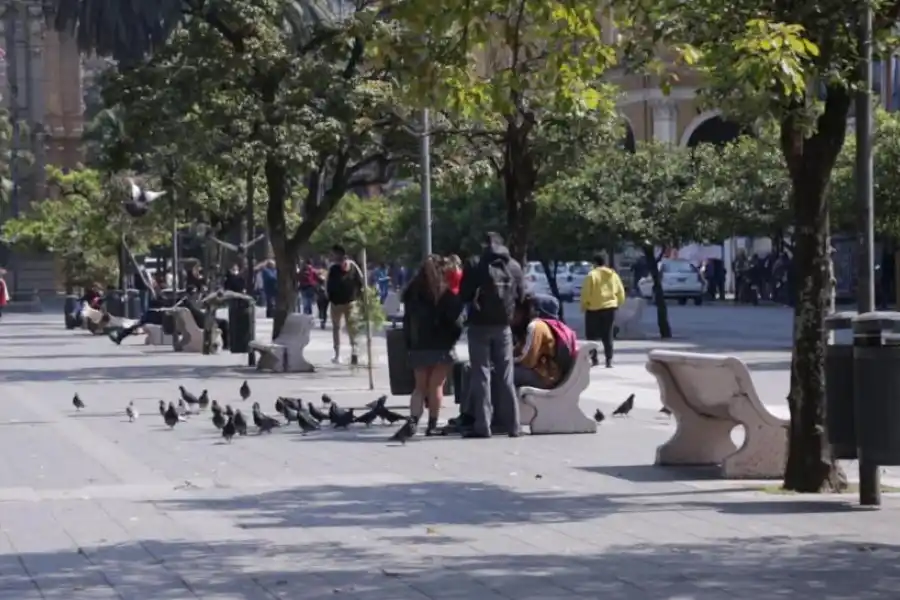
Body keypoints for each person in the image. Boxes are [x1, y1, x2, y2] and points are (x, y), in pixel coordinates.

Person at [458, 232, 526, 438]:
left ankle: (483, 425)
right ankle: (514, 425)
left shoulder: (475, 264)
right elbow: (521, 296)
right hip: (504, 327)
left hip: (479, 326)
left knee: (481, 374)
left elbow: (464, 294)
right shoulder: (514, 266)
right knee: (506, 375)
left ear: (483, 245)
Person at [402, 255, 463, 436]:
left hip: (418, 345)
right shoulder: (445, 293)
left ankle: (413, 421)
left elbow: (407, 321)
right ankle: (432, 425)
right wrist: (452, 339)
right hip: (441, 346)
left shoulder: (411, 292)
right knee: (436, 386)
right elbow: (457, 322)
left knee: (419, 387)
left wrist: (409, 343)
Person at [514, 294, 574, 389]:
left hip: (543, 377)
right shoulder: (552, 325)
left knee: (501, 374)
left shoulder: (537, 326)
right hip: (552, 376)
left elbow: (528, 361)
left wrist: (506, 361)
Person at [580, 253, 625, 368]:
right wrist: (618, 303)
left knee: (591, 335)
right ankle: (608, 360)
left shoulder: (591, 275)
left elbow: (586, 293)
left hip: (593, 308)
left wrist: (584, 305)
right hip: (610, 308)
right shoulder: (613, 275)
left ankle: (594, 359)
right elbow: (620, 291)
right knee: (608, 334)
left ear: (595, 263)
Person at [326, 244, 364, 364]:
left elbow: (362, 279)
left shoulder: (347, 266)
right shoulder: (336, 267)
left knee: (346, 328)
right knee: (344, 328)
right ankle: (345, 353)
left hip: (345, 302)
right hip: (343, 302)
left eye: (333, 253)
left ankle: (349, 353)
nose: (331, 256)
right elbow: (362, 280)